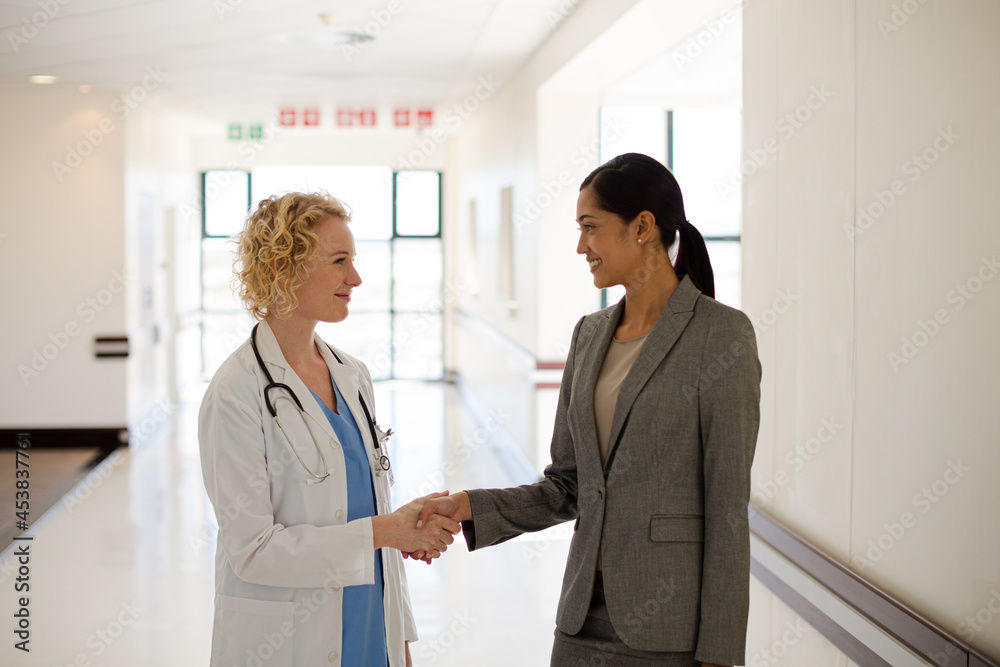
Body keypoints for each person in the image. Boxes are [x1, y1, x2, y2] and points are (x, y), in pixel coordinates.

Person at [416, 153, 762, 667]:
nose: (581, 247)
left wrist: (720, 654)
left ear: (642, 227)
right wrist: (469, 505)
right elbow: (568, 484)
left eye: (591, 228)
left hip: (671, 631)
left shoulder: (721, 335)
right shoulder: (589, 335)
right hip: (580, 619)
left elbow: (727, 508)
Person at [198, 191, 459, 667]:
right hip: (288, 642)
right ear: (282, 267)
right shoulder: (235, 393)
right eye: (339, 261)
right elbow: (252, 551)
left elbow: (364, 515)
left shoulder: (352, 375)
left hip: (370, 631)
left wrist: (399, 641)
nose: (354, 278)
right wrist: (385, 532)